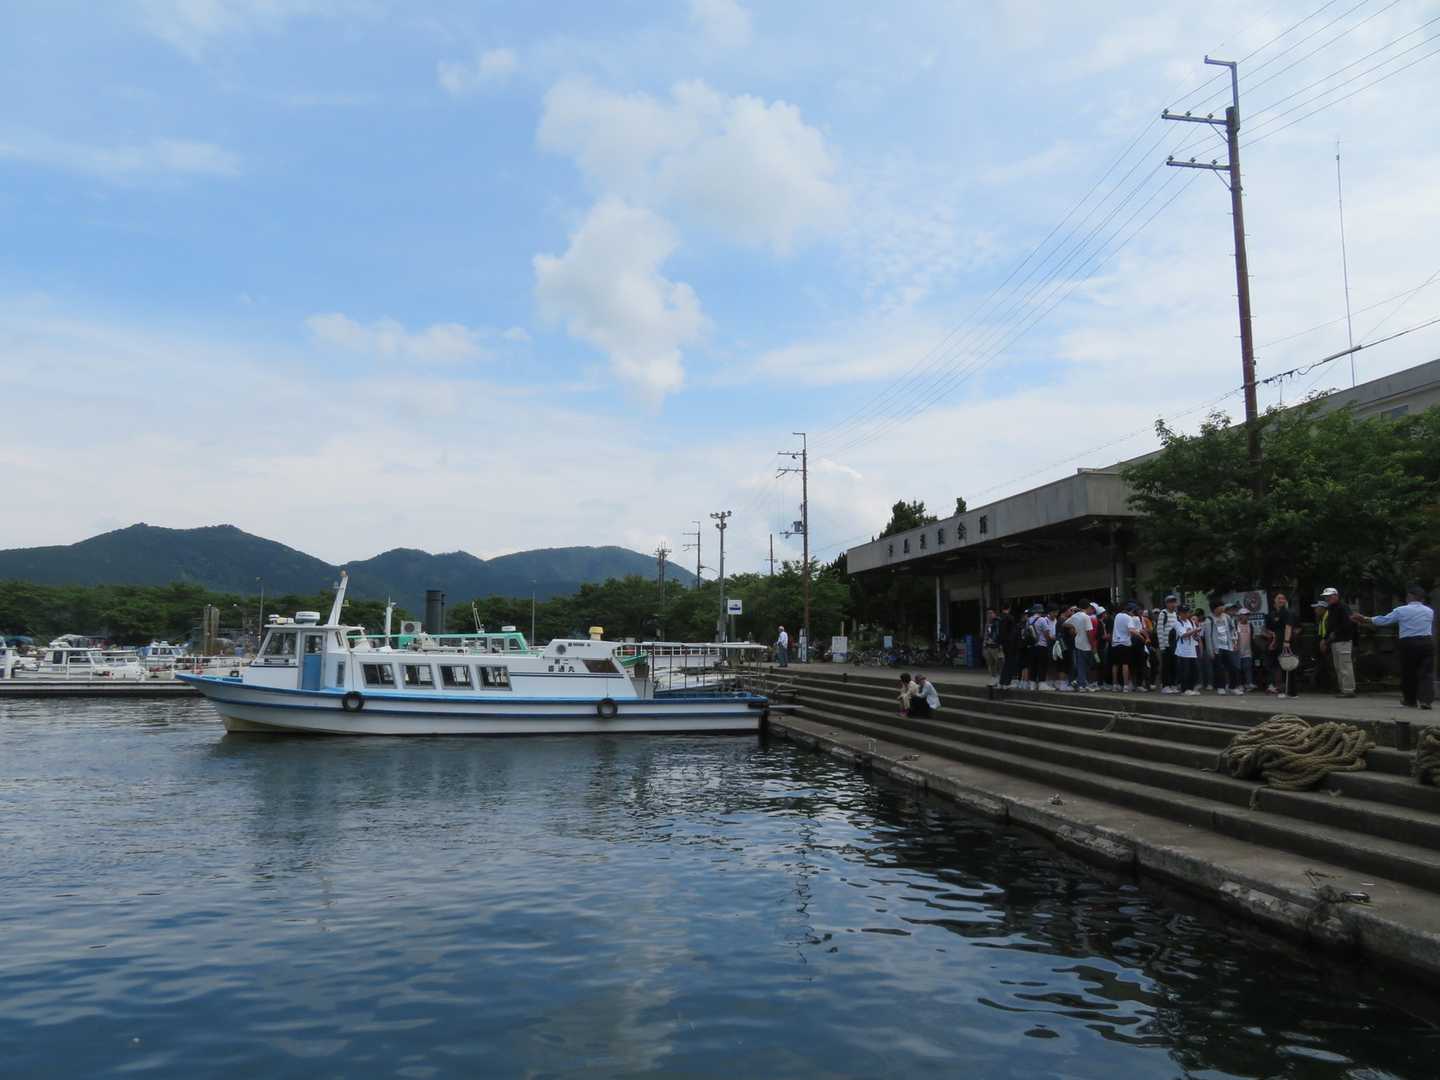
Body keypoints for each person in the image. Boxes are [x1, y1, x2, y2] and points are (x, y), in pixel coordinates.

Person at [1354, 585, 1435, 710]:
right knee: (1426, 673)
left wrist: (1365, 619)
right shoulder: (1429, 611)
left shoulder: (1401, 610)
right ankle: (1426, 700)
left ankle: (1410, 700)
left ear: (1410, 596)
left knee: (1409, 672)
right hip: (1427, 642)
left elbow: (1385, 620)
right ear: (1422, 599)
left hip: (1409, 643)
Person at [1320, 587, 1357, 698]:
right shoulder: (1332, 608)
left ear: (1336, 596)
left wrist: (1334, 633)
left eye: (1329, 596)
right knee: (1339, 666)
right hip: (1336, 640)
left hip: (1343, 640)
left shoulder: (1343, 607)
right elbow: (1330, 626)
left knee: (1344, 665)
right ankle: (1344, 689)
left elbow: (1348, 623)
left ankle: (1348, 690)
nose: (1327, 598)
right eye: (1326, 597)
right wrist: (1325, 639)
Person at [1264, 592, 1299, 698]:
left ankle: (1291, 692)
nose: (1281, 600)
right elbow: (1273, 631)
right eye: (1279, 598)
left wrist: (1286, 642)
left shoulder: (1288, 612)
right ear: (1274, 600)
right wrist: (1273, 642)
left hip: (1287, 643)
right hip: (1278, 643)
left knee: (1289, 666)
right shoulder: (1274, 614)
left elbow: (1289, 627)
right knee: (1282, 666)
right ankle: (1284, 690)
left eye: (1283, 598)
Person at [1206, 600, 1236, 694]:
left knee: (1232, 667)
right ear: (1215, 609)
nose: (1223, 608)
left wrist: (1233, 640)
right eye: (1221, 606)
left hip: (1227, 646)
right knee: (1219, 668)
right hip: (1217, 647)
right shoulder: (1209, 619)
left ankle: (1232, 687)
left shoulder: (1226, 617)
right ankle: (1221, 687)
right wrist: (1210, 651)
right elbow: (1208, 637)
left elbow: (1232, 628)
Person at [1156, 594, 1183, 694]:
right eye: (1170, 602)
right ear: (1166, 604)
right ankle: (1165, 685)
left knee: (1174, 665)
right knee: (1166, 666)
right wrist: (1162, 646)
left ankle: (1173, 685)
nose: (1173, 604)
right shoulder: (1163, 613)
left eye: (1174, 602)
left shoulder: (1175, 614)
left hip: (1174, 645)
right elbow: (1159, 630)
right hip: (1166, 645)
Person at [1066, 602, 1095, 691]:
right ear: (1088, 607)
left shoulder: (1075, 616)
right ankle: (1081, 684)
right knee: (1085, 665)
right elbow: (1089, 632)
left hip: (1078, 642)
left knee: (1081, 665)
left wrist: (1075, 627)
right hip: (1086, 644)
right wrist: (1092, 645)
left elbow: (1065, 623)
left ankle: (1080, 682)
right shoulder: (1086, 617)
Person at [1111, 601, 1137, 692]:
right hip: (1125, 643)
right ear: (1131, 611)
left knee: (1115, 664)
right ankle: (1126, 685)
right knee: (1125, 664)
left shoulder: (1117, 616)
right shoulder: (1129, 618)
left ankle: (1114, 685)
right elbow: (1132, 630)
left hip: (1115, 643)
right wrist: (1141, 636)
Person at [1175, 606, 1201, 695]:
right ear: (1180, 613)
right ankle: (1185, 689)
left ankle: (1191, 688)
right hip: (1183, 650)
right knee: (1185, 670)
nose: (1186, 614)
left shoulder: (1191, 621)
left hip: (1192, 649)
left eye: (1187, 612)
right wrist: (1194, 630)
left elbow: (1194, 635)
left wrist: (1196, 633)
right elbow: (1183, 635)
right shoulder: (1177, 623)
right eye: (1184, 612)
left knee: (1194, 669)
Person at [982, 608, 1004, 687]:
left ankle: (1000, 680)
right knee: (990, 664)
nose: (989, 615)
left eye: (991, 613)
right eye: (988, 613)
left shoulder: (998, 622)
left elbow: (1000, 634)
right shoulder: (987, 624)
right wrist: (984, 644)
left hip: (997, 646)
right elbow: (985, 634)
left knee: (999, 663)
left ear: (994, 614)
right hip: (988, 646)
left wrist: (1000, 644)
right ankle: (993, 678)